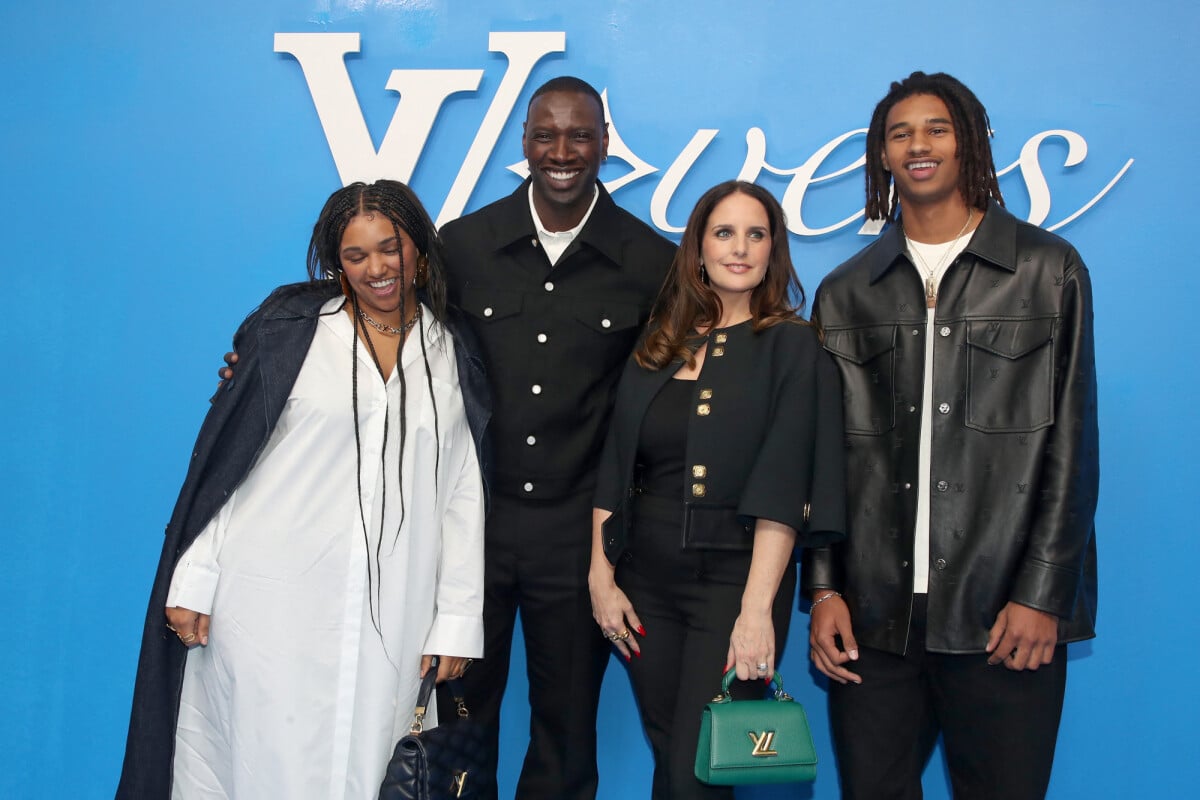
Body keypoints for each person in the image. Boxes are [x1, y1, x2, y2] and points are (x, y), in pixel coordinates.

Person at [117, 180, 490, 799]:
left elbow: (463, 495)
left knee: (371, 763)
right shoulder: (290, 332)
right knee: (263, 761)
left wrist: (455, 620)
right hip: (269, 601)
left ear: (420, 249)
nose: (377, 268)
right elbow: (227, 469)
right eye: (356, 255)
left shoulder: (452, 351)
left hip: (397, 608)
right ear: (334, 263)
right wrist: (195, 576)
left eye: (390, 248)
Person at [804, 71, 1100, 799]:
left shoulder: (1045, 270)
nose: (918, 145)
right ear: (880, 156)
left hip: (1003, 614)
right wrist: (823, 590)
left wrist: (1042, 595)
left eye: (936, 128)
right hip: (873, 621)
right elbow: (821, 458)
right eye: (899, 133)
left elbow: (1072, 447)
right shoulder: (847, 292)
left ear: (968, 143)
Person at [438, 76, 677, 799]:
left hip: (582, 539)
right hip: (470, 531)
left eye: (580, 135)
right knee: (453, 722)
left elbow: (680, 398)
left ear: (604, 144)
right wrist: (271, 350)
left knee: (566, 732)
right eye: (547, 134)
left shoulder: (651, 262)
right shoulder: (462, 246)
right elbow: (390, 340)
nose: (562, 151)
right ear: (525, 145)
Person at [589, 180, 846, 800]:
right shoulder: (658, 344)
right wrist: (601, 578)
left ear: (773, 250)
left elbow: (786, 488)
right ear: (698, 249)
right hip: (644, 585)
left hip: (734, 587)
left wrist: (757, 614)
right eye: (723, 233)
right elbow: (616, 465)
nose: (740, 248)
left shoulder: (792, 347)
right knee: (669, 752)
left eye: (756, 234)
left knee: (698, 773)